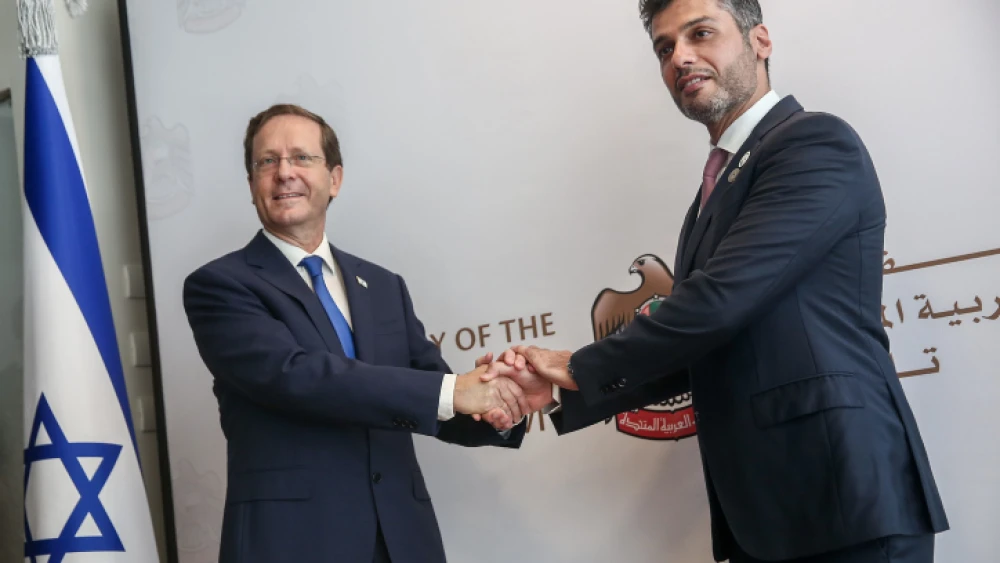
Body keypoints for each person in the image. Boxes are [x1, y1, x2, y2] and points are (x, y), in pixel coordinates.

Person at [484, 1, 949, 561]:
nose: (680, 57)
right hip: (771, 515)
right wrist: (563, 388)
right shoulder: (713, 192)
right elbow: (705, 344)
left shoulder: (813, 144)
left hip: (845, 499)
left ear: (761, 41)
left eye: (700, 33)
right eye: (664, 48)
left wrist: (578, 364)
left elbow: (717, 304)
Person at [183, 103, 529, 563]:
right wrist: (454, 391)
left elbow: (437, 400)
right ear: (252, 185)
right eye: (267, 161)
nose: (284, 172)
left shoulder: (384, 286)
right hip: (292, 544)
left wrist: (504, 401)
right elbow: (297, 376)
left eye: (302, 158)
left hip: (402, 542)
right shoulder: (219, 286)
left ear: (335, 179)